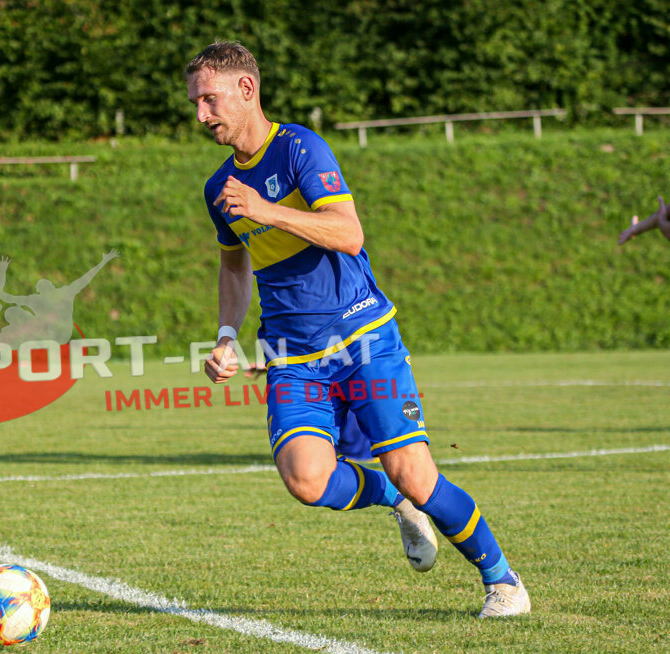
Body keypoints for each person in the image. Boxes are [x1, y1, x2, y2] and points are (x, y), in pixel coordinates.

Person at [186, 42, 530, 618]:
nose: (201, 114)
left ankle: (502, 580)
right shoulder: (219, 188)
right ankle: (392, 498)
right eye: (195, 102)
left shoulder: (299, 148)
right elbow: (233, 265)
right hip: (292, 354)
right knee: (306, 480)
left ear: (247, 91)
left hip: (363, 338)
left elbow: (348, 233)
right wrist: (226, 334)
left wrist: (266, 209)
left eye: (210, 99)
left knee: (417, 473)